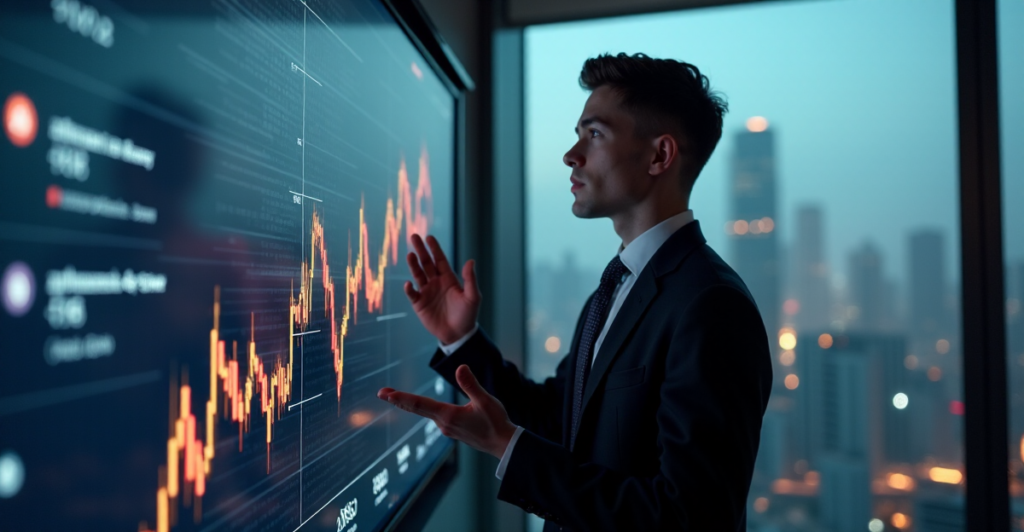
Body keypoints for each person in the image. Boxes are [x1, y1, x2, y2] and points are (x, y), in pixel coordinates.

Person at [377, 53, 772, 531]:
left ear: (659, 156)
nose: (571, 154)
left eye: (595, 134)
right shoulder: (615, 289)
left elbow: (688, 519)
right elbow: (564, 420)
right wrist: (463, 341)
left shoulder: (711, 305)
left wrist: (507, 446)